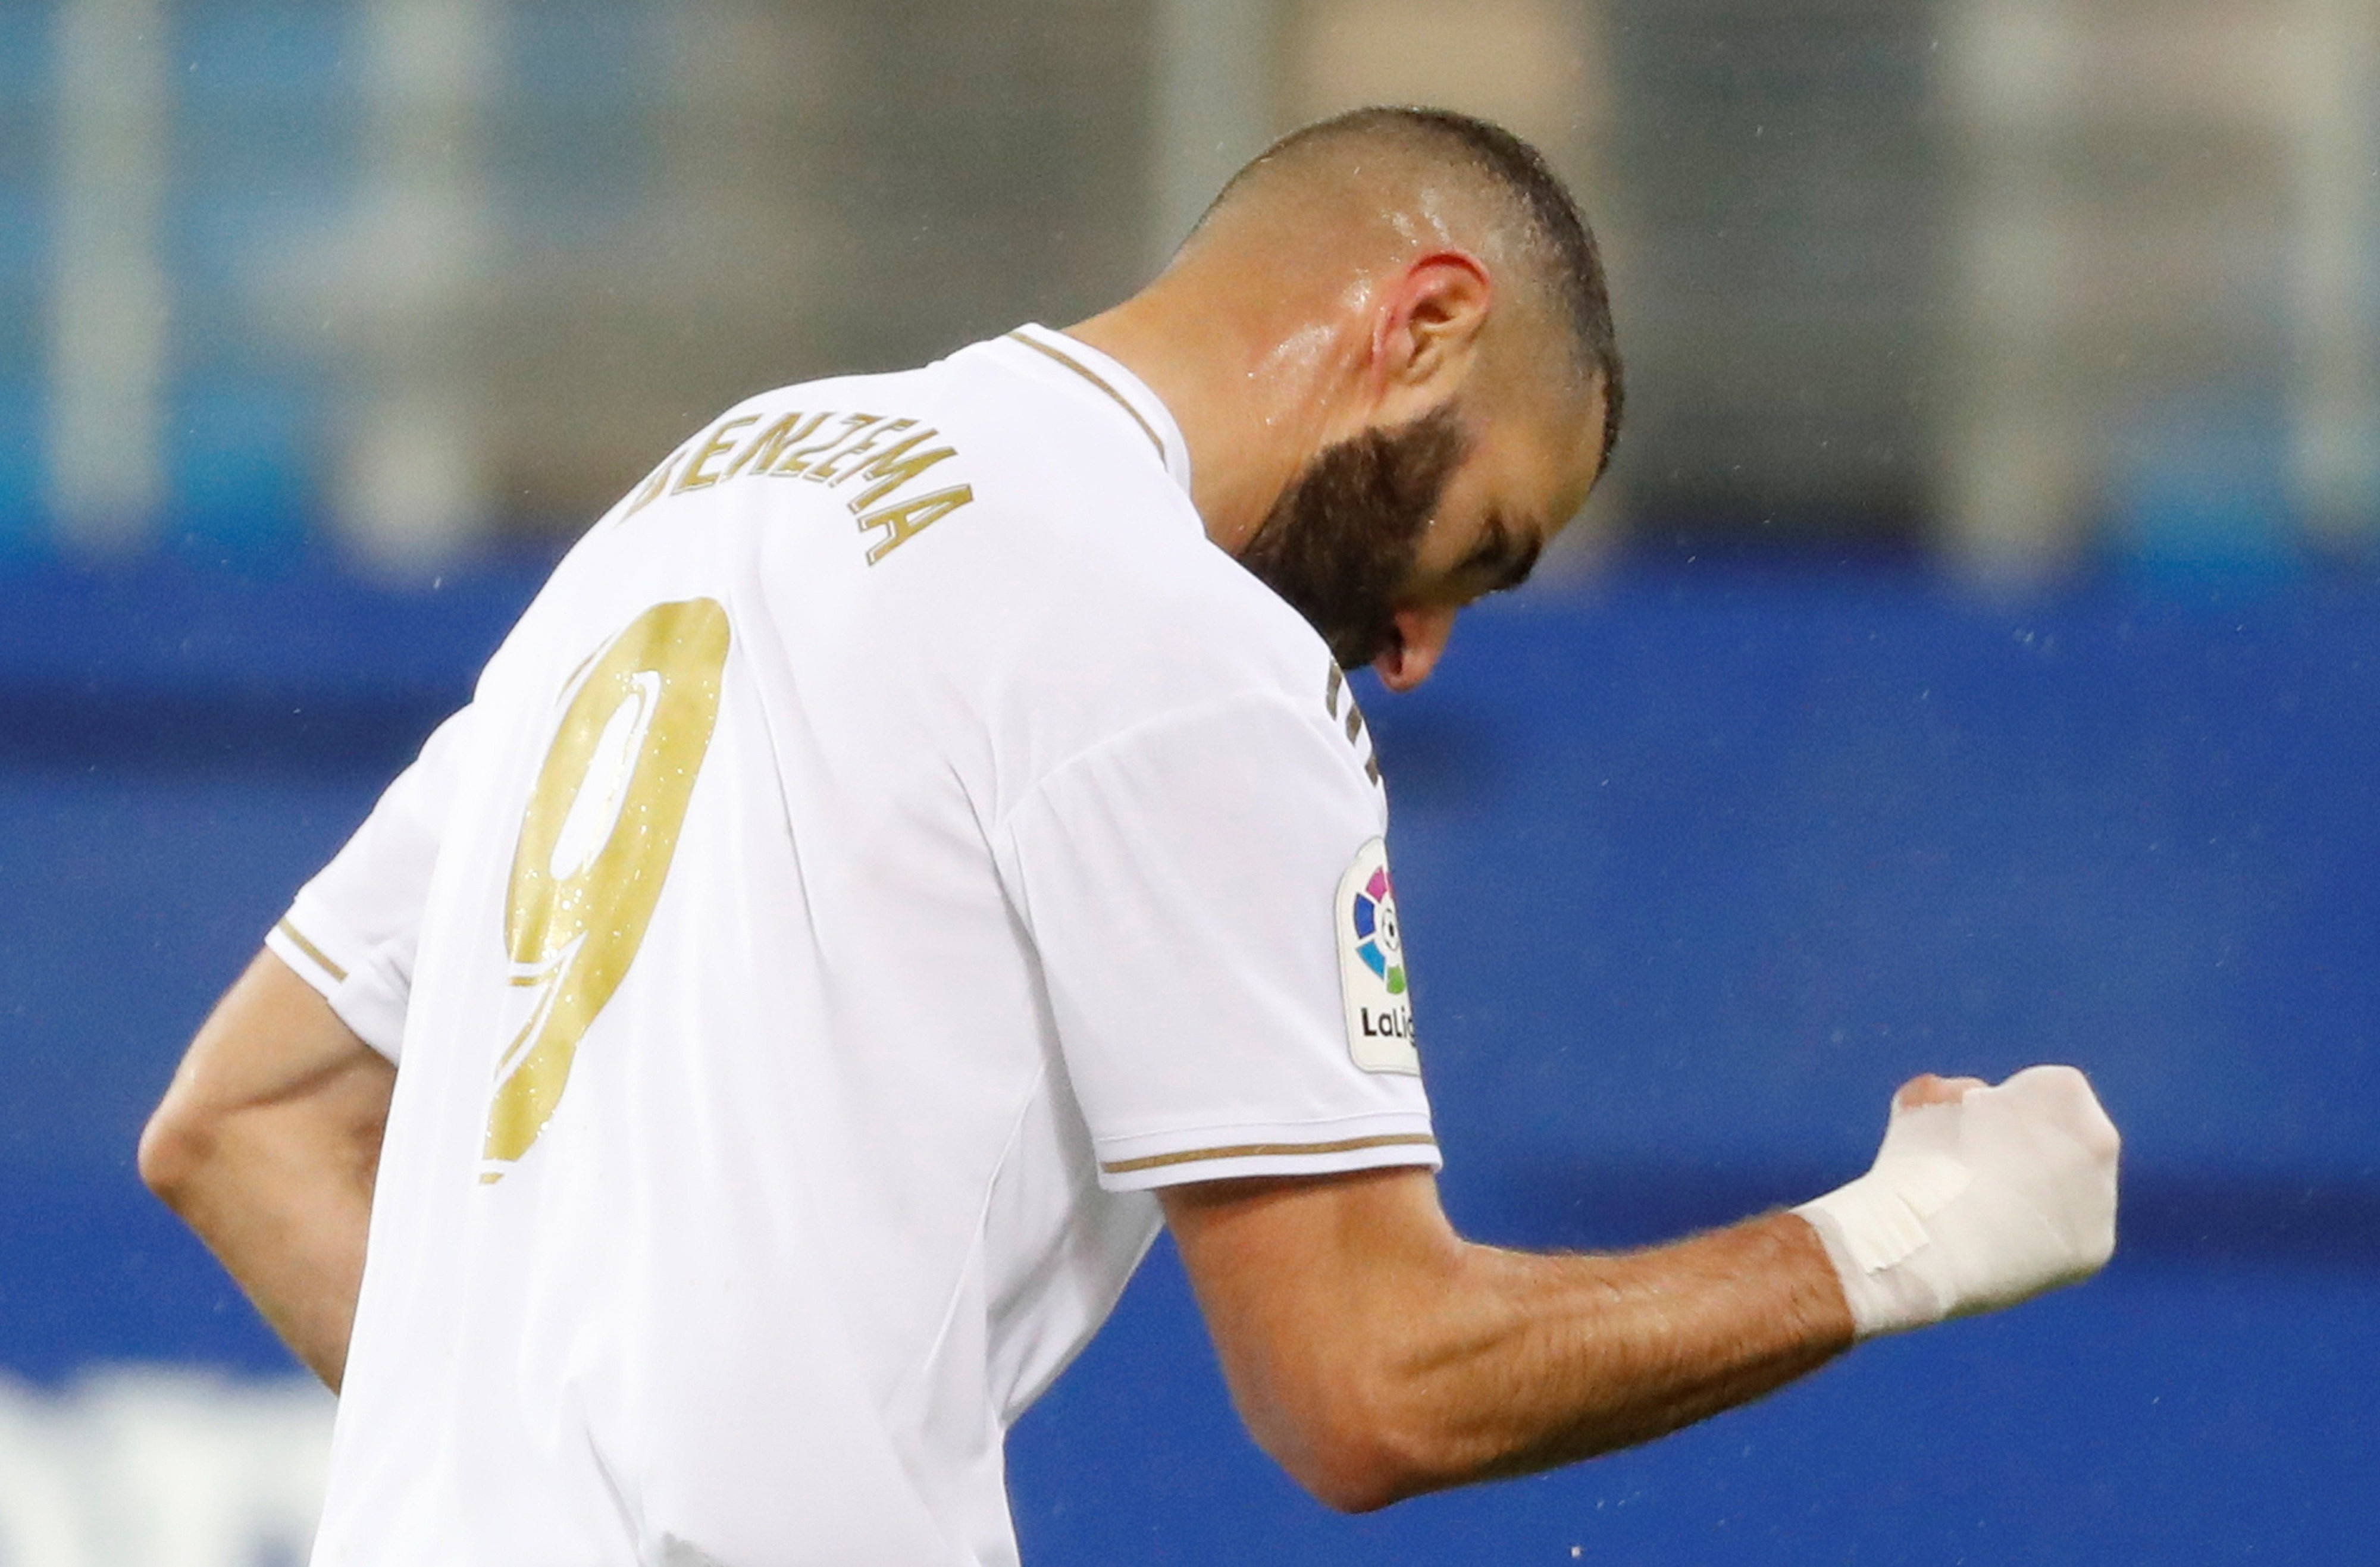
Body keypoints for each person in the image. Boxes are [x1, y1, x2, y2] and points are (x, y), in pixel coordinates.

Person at [140, 106, 2118, 1563]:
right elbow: (1371, 1382)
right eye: (1480, 549)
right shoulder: (1184, 646)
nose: (1421, 647)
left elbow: (242, 1122)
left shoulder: (701, 494)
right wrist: (1906, 1236)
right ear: (1426, 323)